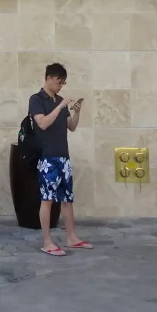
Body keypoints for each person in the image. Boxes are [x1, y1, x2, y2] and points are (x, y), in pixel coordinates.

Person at [28, 62, 91, 256]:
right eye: (58, 82)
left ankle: (72, 238)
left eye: (63, 83)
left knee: (67, 199)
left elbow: (71, 126)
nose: (60, 86)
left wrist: (77, 111)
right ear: (48, 78)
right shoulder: (36, 99)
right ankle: (47, 242)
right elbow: (43, 123)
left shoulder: (60, 101)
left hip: (63, 157)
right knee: (47, 200)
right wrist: (60, 106)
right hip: (47, 158)